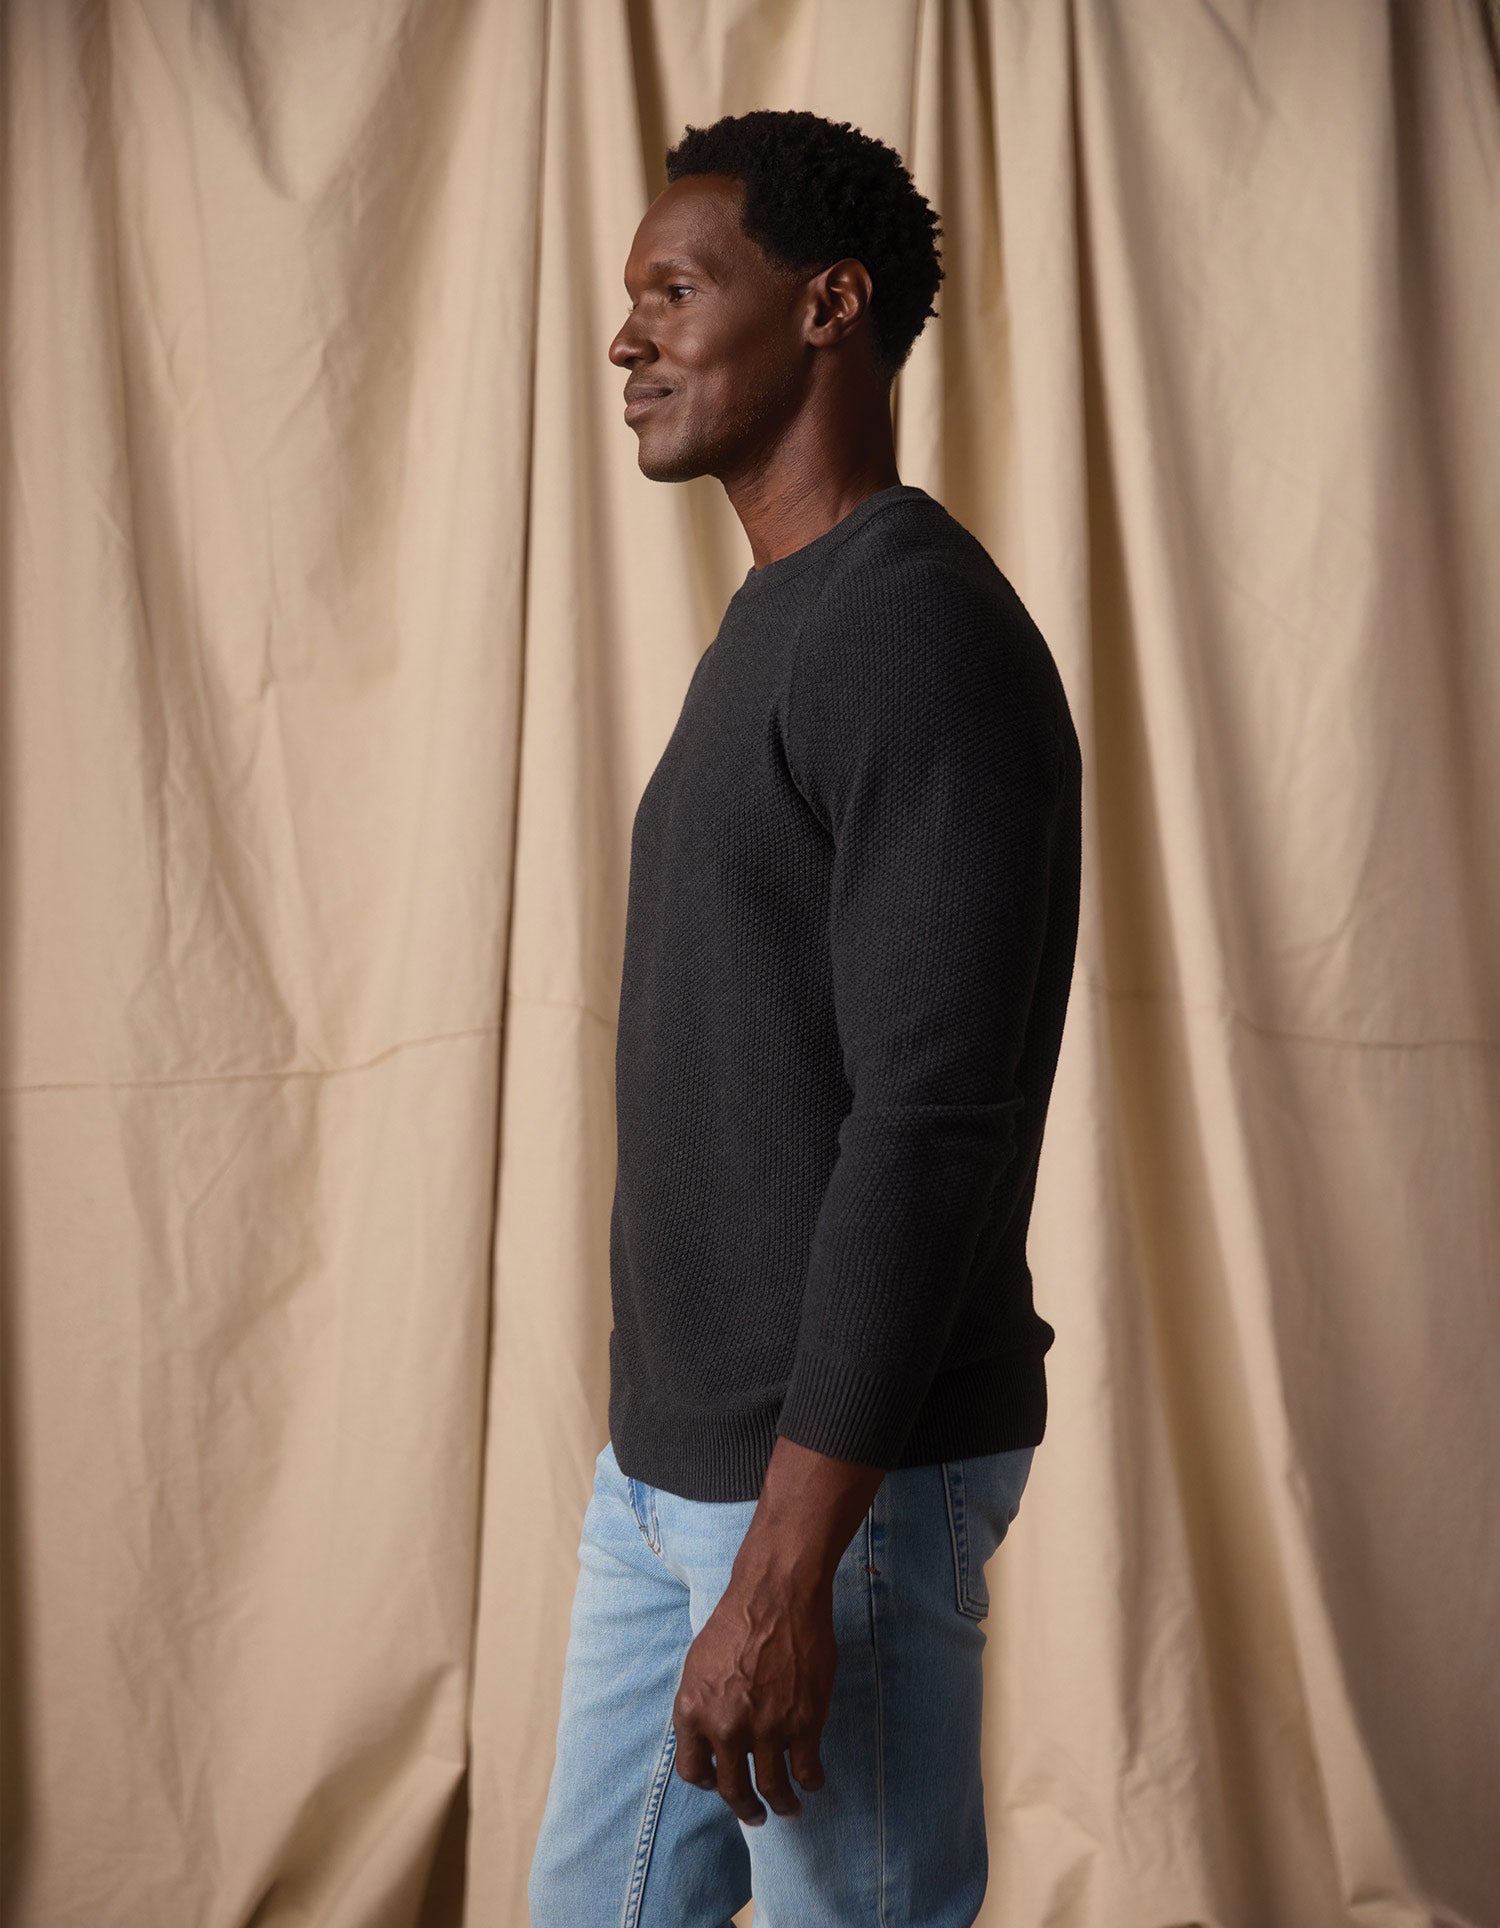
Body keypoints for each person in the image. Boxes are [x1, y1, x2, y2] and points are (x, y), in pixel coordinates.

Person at [529, 107, 1082, 1928]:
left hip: (829, 1486)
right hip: (674, 1474)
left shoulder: (908, 628)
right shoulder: (785, 614)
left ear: (831, 305)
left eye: (676, 291)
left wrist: (786, 1559)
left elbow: (931, 1124)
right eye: (633, 298)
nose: (628, 336)